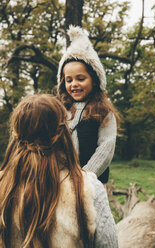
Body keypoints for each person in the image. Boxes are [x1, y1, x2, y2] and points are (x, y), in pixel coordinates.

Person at [0, 94, 118, 248]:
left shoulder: (3, 184)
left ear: (16, 133)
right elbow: (109, 244)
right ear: (63, 132)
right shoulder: (88, 187)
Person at [57, 25, 120, 184]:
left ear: (95, 79)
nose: (74, 84)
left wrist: (85, 176)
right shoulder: (61, 110)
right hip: (62, 179)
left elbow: (106, 148)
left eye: (80, 78)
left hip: (92, 181)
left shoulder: (103, 112)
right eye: (69, 80)